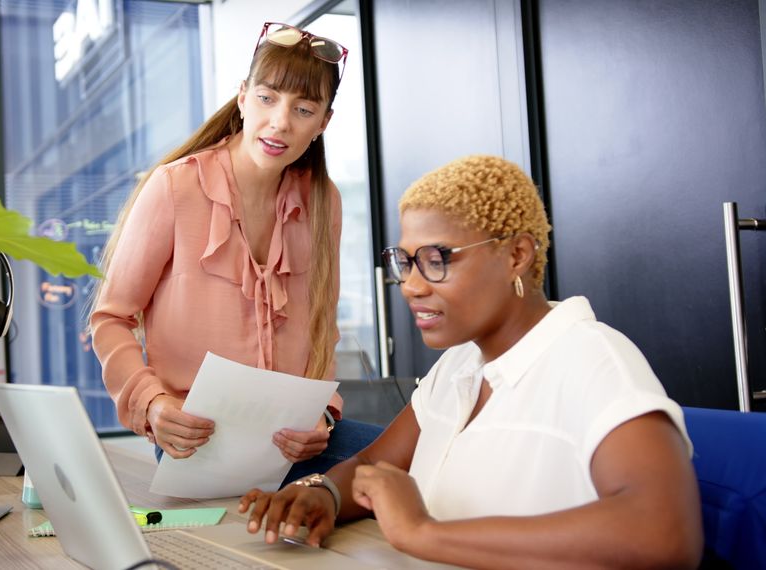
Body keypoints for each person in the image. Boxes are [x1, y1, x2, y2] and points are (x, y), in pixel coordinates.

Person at [239, 155, 703, 568]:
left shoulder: (594, 360)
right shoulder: (461, 364)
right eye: (406, 262)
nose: (412, 286)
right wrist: (325, 494)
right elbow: (379, 466)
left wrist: (422, 532)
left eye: (437, 258)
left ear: (517, 255)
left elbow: (664, 533)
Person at [90, 22, 381, 484]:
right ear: (243, 97)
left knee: (424, 461)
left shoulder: (324, 201)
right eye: (267, 99)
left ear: (323, 122)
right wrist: (154, 404)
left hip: (291, 442)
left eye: (303, 109)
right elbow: (111, 319)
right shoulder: (175, 186)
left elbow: (323, 328)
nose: (281, 122)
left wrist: (324, 415)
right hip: (196, 441)